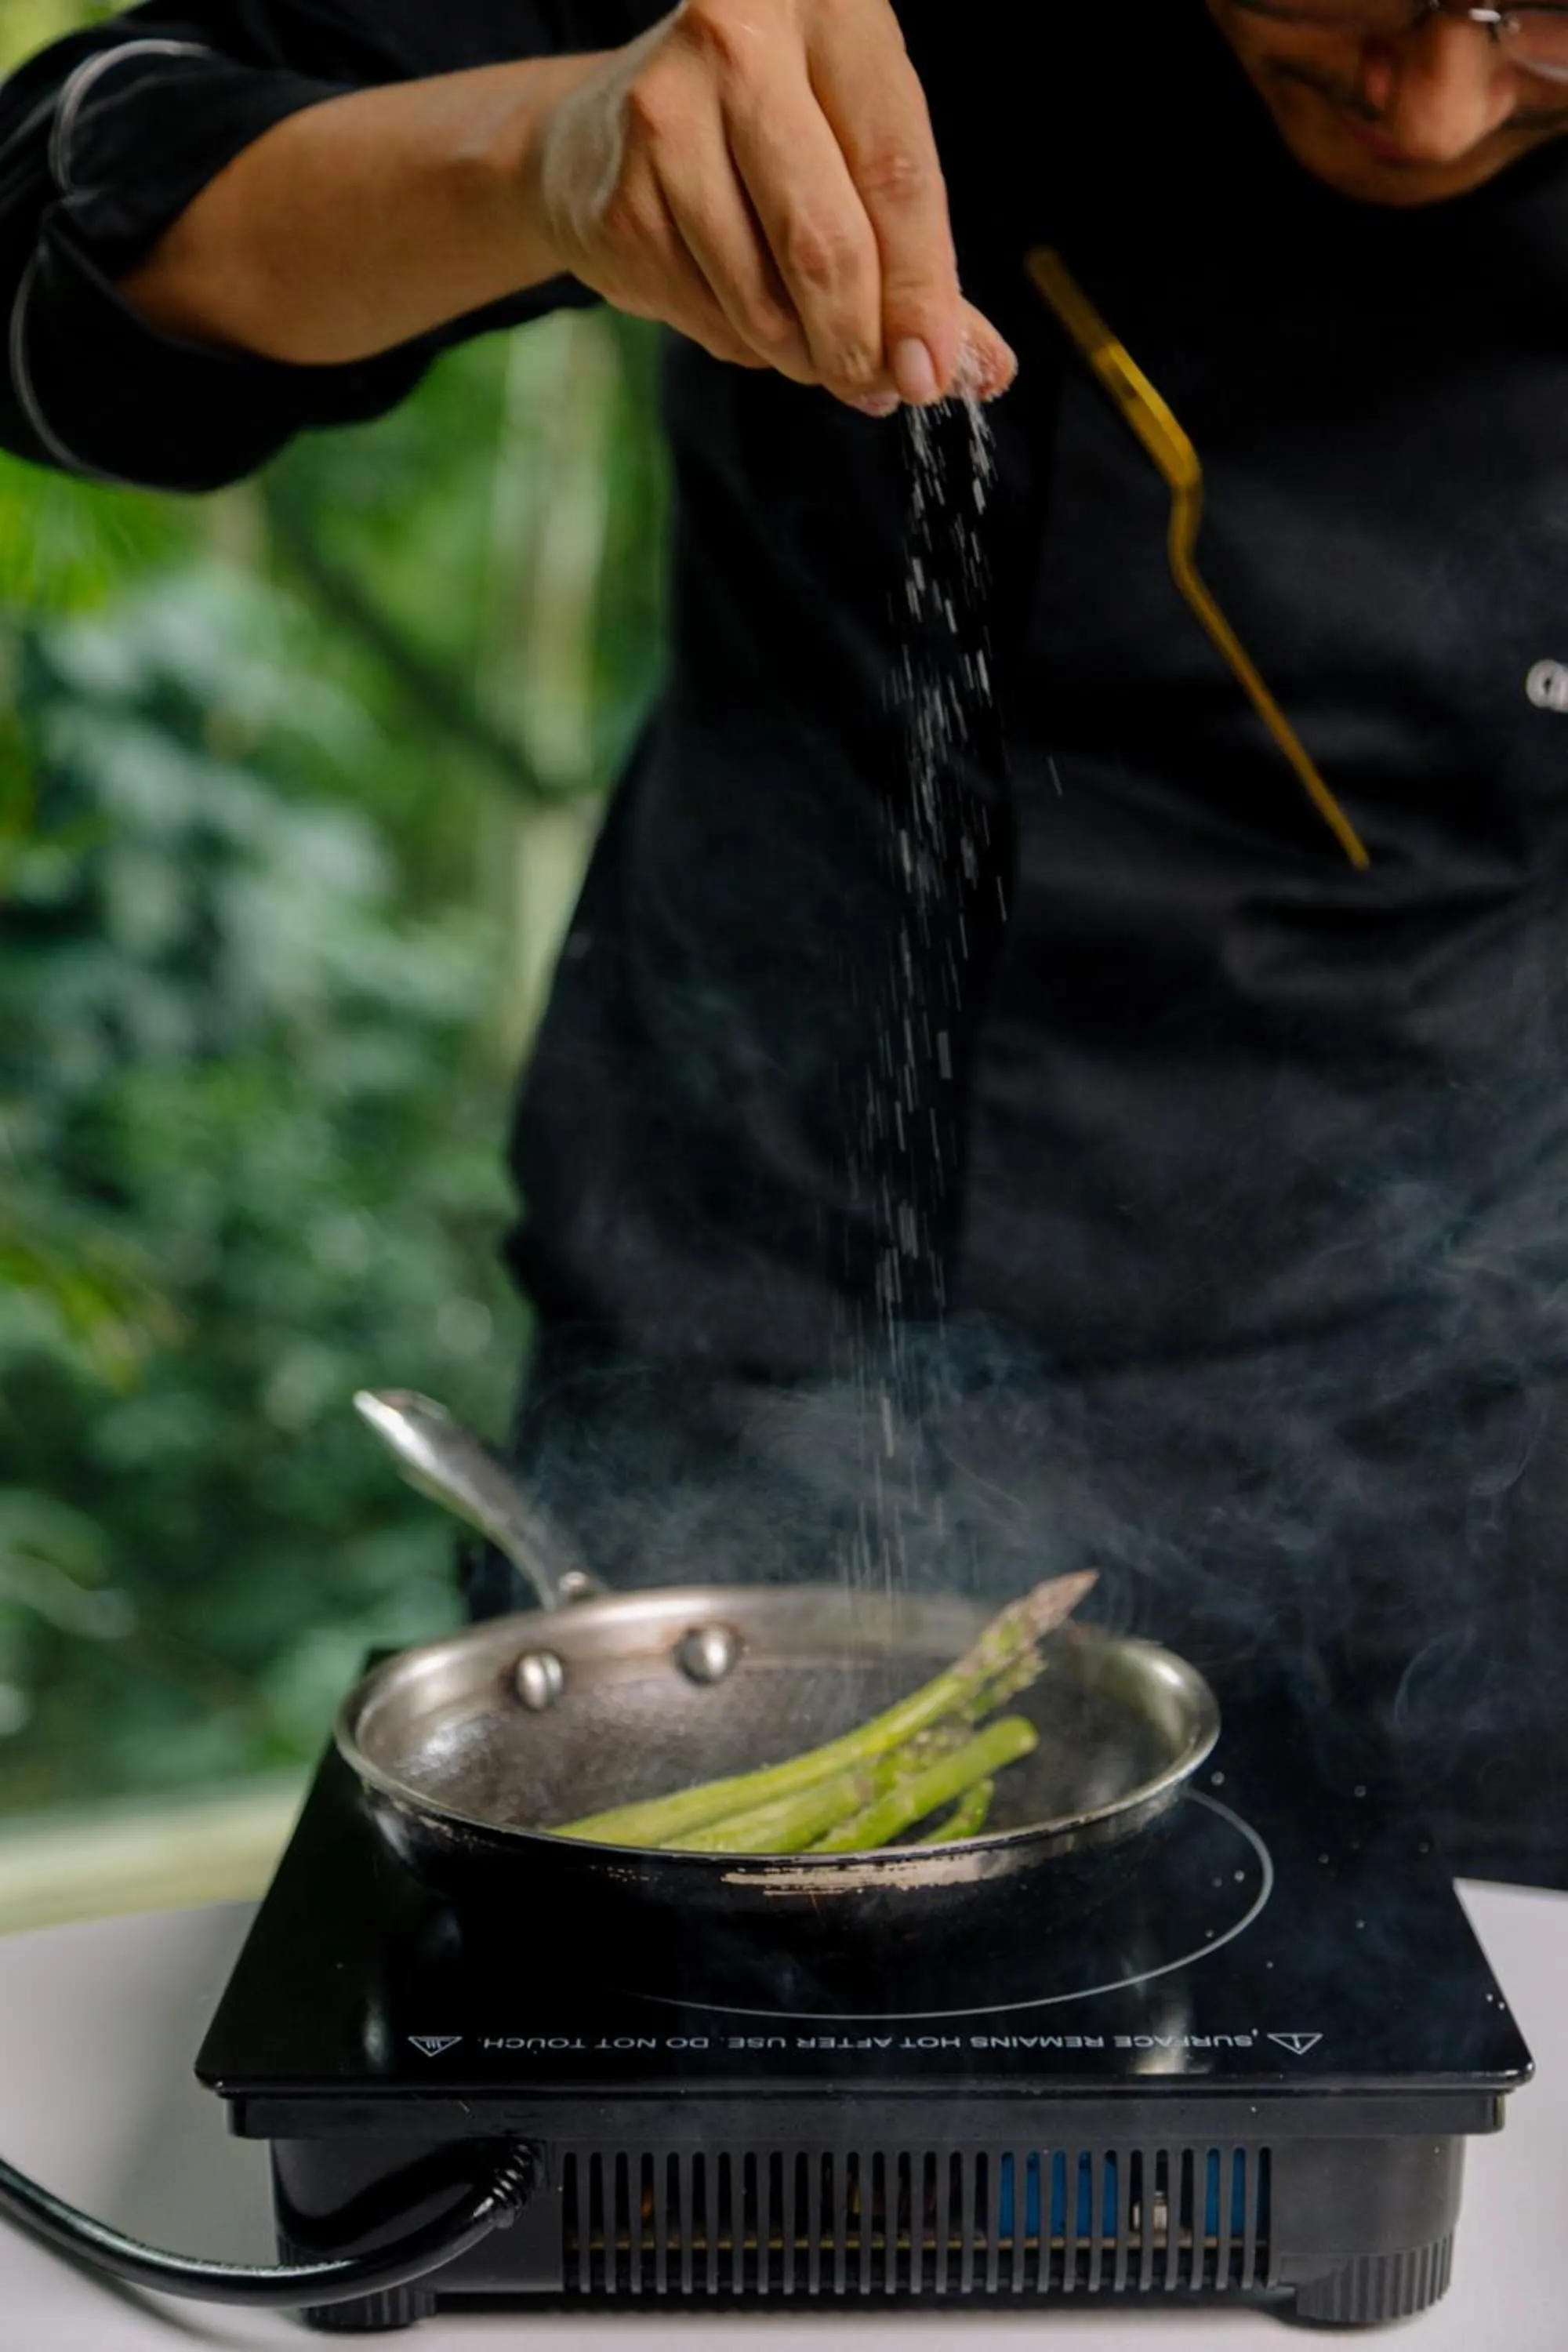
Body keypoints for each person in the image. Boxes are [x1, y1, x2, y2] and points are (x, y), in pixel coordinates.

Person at [5, 0, 1568, 1886]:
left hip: (1458, 1496)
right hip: (727, 1420)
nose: (1438, 98)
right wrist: (544, 156)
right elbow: (65, 225)